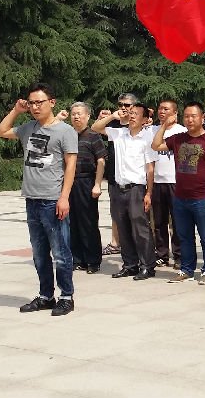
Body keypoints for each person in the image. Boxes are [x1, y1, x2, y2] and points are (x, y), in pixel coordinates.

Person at [0, 83, 78, 316]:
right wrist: (16, 110)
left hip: (53, 200)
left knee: (60, 253)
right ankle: (45, 296)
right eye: (31, 103)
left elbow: (71, 165)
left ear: (52, 102)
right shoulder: (28, 128)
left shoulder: (65, 131)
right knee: (39, 253)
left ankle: (66, 297)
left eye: (39, 102)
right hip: (31, 198)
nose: (35, 107)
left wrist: (64, 197)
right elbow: (1, 131)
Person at [152, 102, 205, 285]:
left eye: (194, 116)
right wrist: (164, 125)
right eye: (187, 116)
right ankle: (187, 270)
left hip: (202, 197)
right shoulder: (178, 138)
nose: (190, 120)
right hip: (180, 197)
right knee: (184, 236)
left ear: (201, 118)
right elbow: (155, 145)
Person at [91, 102, 157, 281]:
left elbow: (150, 169)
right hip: (118, 188)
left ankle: (147, 265)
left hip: (136, 189)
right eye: (131, 112)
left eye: (137, 113)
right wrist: (113, 116)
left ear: (145, 119)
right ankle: (130, 265)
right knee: (123, 227)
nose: (132, 115)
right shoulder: (119, 133)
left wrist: (149, 193)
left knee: (140, 229)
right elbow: (95, 127)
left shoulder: (147, 139)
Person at [66, 102, 107, 274]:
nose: (76, 116)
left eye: (79, 113)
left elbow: (101, 161)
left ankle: (93, 260)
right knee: (72, 222)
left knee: (88, 222)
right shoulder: (67, 135)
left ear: (88, 116)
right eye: (73, 114)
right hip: (69, 183)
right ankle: (77, 259)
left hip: (86, 181)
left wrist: (97, 184)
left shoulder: (93, 136)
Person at [150, 100, 187, 268]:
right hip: (158, 181)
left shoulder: (182, 132)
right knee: (159, 222)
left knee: (178, 222)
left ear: (175, 113)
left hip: (176, 182)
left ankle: (179, 255)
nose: (162, 111)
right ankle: (162, 254)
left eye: (166, 109)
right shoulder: (153, 130)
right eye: (160, 108)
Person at [101, 94, 136, 257]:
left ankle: (137, 244)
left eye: (127, 105)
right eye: (120, 104)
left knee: (136, 214)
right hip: (114, 174)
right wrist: (109, 118)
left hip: (134, 176)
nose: (123, 107)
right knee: (116, 211)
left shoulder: (138, 124)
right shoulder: (113, 125)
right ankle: (115, 243)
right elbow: (95, 128)